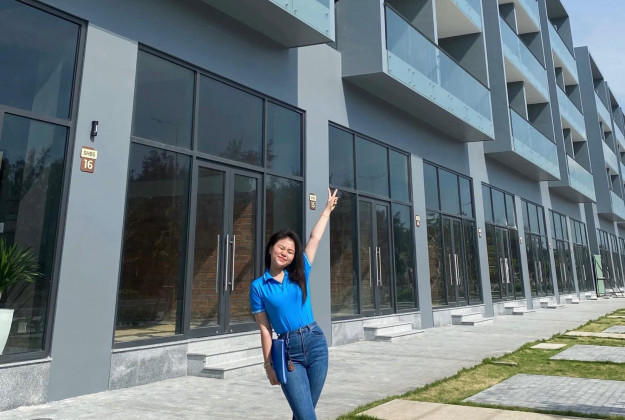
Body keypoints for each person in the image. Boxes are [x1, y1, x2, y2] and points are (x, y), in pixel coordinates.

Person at [249, 188, 339, 420]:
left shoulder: (300, 273)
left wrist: (326, 210)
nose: (285, 253)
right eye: (281, 247)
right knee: (306, 415)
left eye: (290, 251)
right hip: (289, 352)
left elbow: (314, 238)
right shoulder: (258, 287)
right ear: (271, 248)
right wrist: (268, 365)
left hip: (316, 344)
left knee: (303, 414)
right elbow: (265, 330)